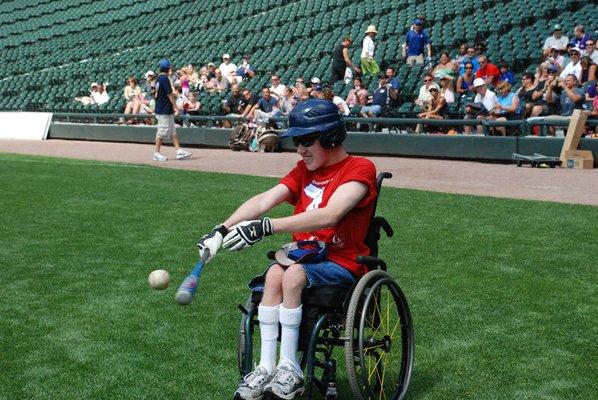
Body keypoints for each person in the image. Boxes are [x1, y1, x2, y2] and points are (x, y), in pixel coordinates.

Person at [194, 99, 377, 400]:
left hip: (342, 262)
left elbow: (331, 214)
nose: (300, 149)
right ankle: (266, 367)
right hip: (303, 257)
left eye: (306, 140)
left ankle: (290, 369)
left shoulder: (360, 168)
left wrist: (266, 227)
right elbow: (264, 200)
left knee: (291, 275)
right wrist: (221, 229)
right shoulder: (303, 170)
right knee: (274, 276)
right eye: (296, 141)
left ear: (330, 136)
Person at [152, 59, 192, 162]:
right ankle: (156, 153)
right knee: (162, 132)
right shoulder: (164, 78)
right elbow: (169, 94)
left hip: (164, 108)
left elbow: (156, 94)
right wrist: (175, 106)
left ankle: (179, 151)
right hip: (163, 109)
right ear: (168, 68)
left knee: (173, 131)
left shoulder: (158, 78)